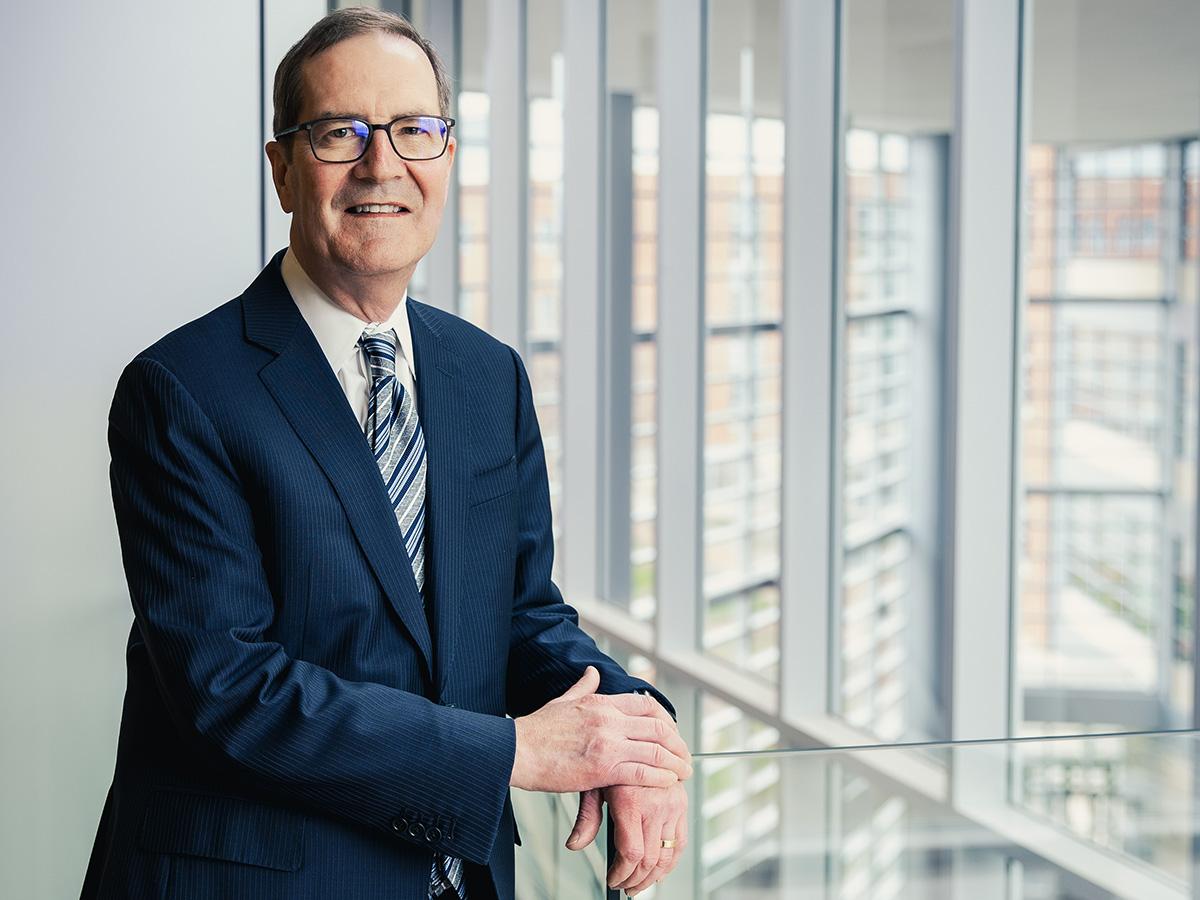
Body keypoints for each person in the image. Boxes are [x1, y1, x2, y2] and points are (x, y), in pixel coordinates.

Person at [80, 8, 691, 900]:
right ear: (283, 169)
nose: (382, 164)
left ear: (446, 156)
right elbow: (228, 686)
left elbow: (519, 616)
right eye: (340, 133)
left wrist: (634, 735)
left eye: (415, 130)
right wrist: (515, 751)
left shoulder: (488, 376)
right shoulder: (182, 389)